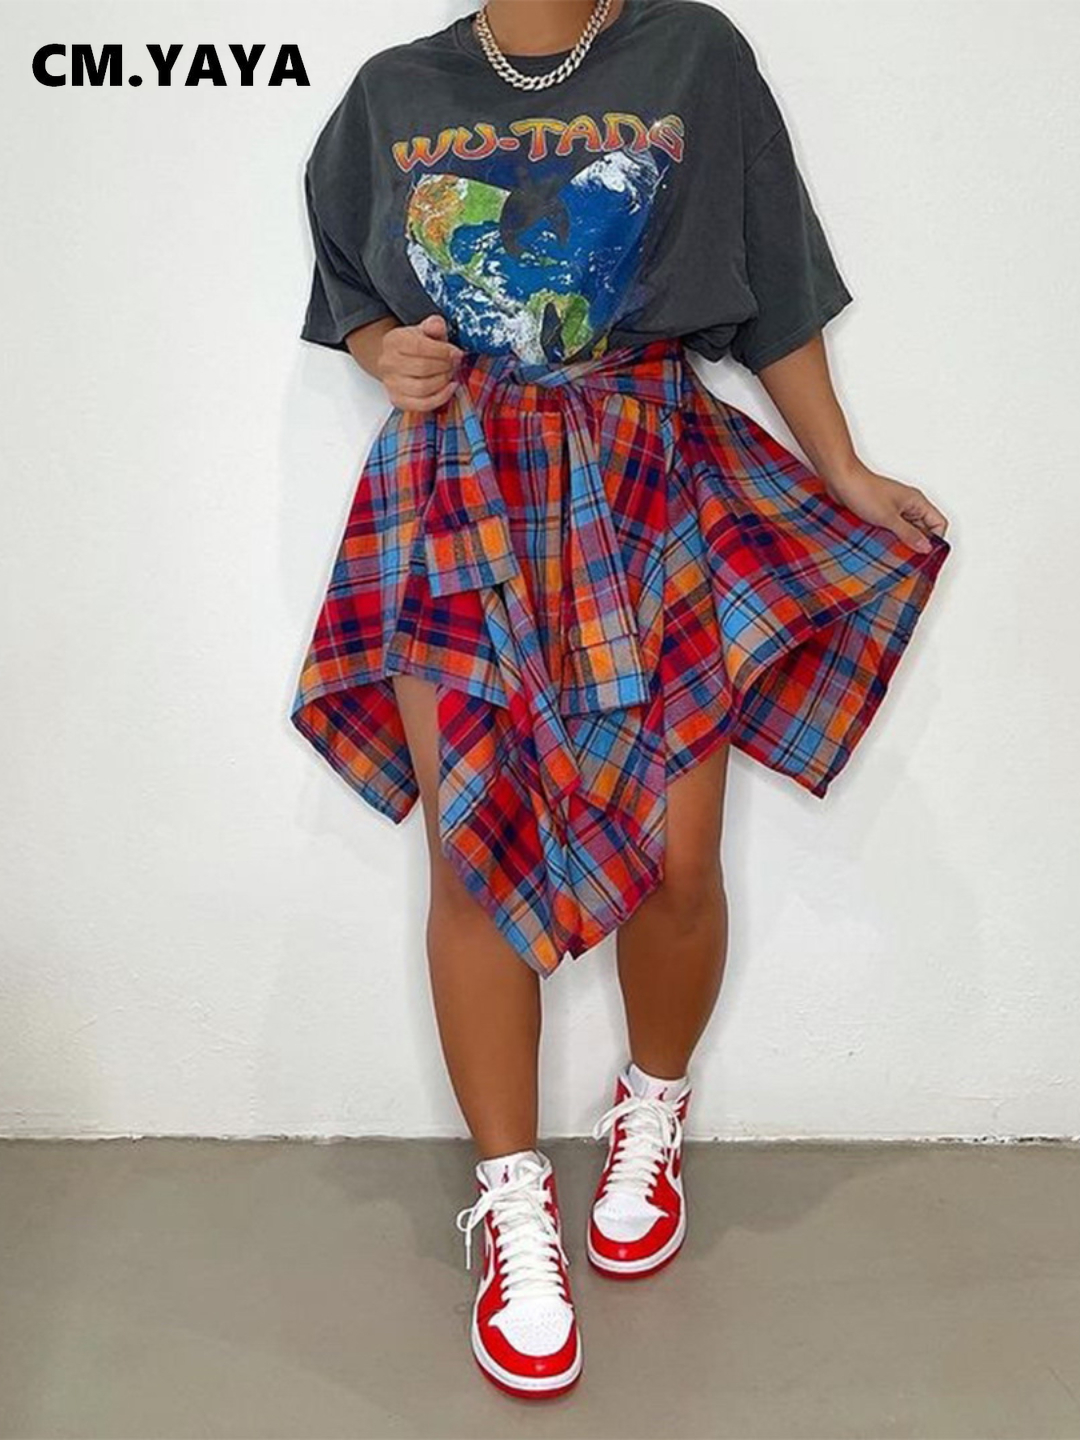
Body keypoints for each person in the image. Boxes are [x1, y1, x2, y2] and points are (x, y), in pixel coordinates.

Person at [291, 0, 952, 1400]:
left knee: (679, 857)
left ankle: (653, 1106)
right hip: (457, 484)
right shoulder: (393, 90)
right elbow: (352, 281)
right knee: (473, 854)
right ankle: (513, 1203)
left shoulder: (690, 53)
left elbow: (775, 277)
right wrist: (377, 348)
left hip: (648, 473)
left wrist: (840, 466)